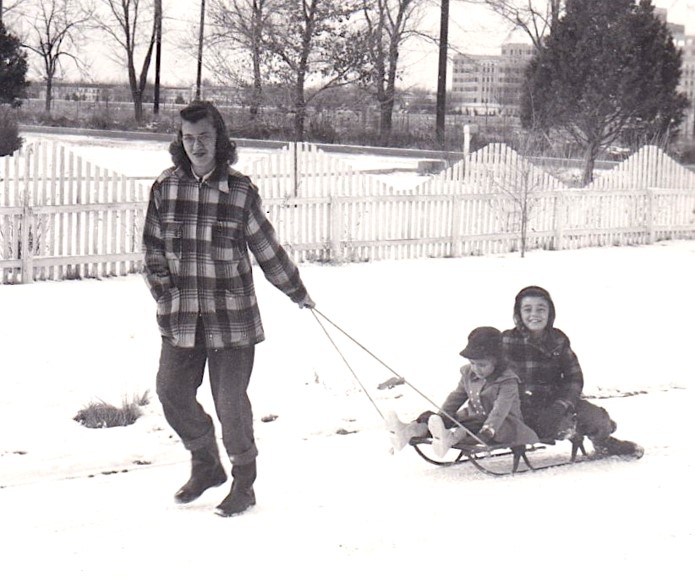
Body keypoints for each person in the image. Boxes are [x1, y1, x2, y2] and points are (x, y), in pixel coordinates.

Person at [142, 101, 315, 517]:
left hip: (231, 320)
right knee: (171, 393)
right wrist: (165, 295)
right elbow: (152, 252)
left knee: (230, 402)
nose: (196, 146)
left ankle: (243, 483)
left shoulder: (239, 193)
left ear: (219, 139)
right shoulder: (165, 188)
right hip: (181, 318)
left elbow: (266, 248)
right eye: (188, 139)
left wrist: (296, 290)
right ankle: (206, 464)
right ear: (179, 142)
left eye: (204, 137)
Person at [501, 285, 643, 458]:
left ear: (550, 313)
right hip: (523, 407)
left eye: (541, 309)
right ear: (518, 314)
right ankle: (571, 428)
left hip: (555, 402)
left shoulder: (558, 339)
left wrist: (561, 405)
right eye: (527, 309)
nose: (534, 315)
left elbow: (573, 378)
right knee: (561, 427)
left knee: (597, 418)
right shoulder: (507, 340)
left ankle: (603, 443)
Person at [386, 326, 539, 458]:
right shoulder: (469, 374)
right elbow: (456, 397)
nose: (476, 369)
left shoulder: (507, 381)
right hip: (473, 418)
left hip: (502, 426)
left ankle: (450, 438)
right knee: (434, 417)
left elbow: (500, 410)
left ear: (497, 361)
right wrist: (442, 417)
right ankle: (410, 431)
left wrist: (487, 432)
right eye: (472, 363)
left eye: (482, 365)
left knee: (472, 426)